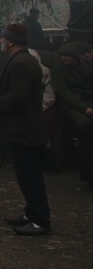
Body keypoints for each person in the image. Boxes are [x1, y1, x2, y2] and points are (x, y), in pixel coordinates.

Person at [0, 23, 51, 235]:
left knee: (29, 176)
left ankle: (40, 220)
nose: (0, 41)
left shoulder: (21, 63)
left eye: (2, 38)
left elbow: (19, 96)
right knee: (27, 174)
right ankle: (32, 213)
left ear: (11, 41)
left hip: (24, 129)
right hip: (26, 127)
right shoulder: (24, 59)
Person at [52, 41, 92, 187]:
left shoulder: (87, 69)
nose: (64, 58)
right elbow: (64, 93)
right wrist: (83, 108)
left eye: (67, 56)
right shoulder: (58, 71)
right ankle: (86, 170)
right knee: (85, 124)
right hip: (71, 105)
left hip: (88, 102)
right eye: (62, 55)